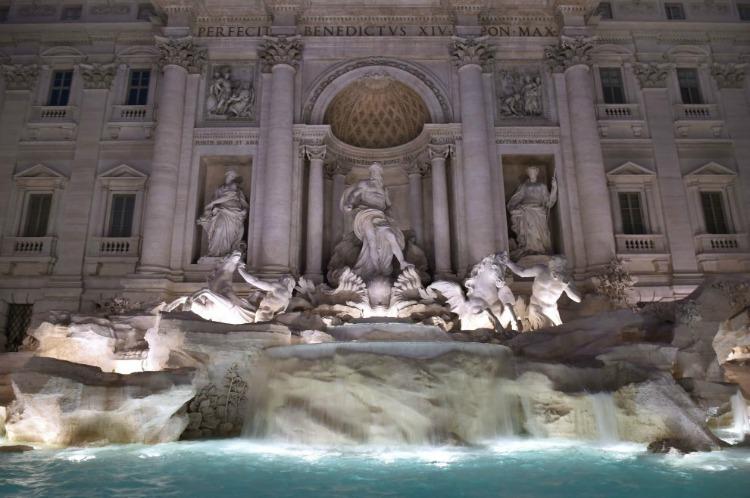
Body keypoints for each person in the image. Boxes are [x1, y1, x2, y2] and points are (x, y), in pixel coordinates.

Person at [339, 162, 412, 281]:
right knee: (371, 241)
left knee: (391, 235)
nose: (377, 174)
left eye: (379, 172)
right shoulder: (365, 184)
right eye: (375, 172)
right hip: (366, 214)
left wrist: (387, 200)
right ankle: (377, 270)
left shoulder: (383, 188)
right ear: (372, 173)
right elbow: (354, 194)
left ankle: (402, 262)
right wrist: (350, 204)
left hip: (380, 216)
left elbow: (388, 205)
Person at [499, 254, 581, 328]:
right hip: (536, 307)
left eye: (555, 264)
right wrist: (508, 262)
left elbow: (578, 299)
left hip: (551, 310)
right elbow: (522, 272)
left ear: (561, 267)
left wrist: (565, 285)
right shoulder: (541, 270)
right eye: (552, 262)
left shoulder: (566, 279)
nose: (551, 263)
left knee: (561, 332)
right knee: (546, 330)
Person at [507, 165, 557, 257]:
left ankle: (540, 249)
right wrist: (514, 207)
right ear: (528, 173)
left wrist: (554, 189)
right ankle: (529, 249)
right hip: (526, 210)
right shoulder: (524, 186)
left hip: (539, 211)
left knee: (539, 232)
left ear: (537, 173)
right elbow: (517, 198)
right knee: (529, 231)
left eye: (534, 172)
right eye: (530, 172)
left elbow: (548, 202)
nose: (532, 174)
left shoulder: (542, 186)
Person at [197, 170, 248, 257]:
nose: (230, 179)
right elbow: (214, 200)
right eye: (229, 176)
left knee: (231, 234)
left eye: (232, 177)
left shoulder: (237, 190)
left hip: (234, 214)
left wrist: (245, 210)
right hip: (221, 212)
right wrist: (213, 206)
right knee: (219, 229)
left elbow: (241, 203)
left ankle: (227, 253)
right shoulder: (219, 189)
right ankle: (214, 253)